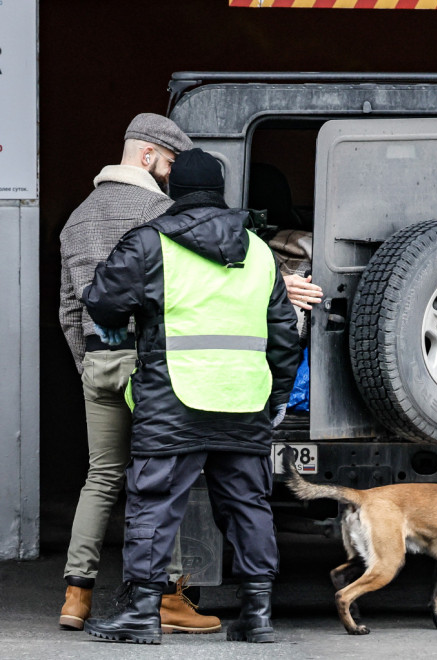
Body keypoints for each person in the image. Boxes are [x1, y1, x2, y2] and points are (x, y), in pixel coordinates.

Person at [80, 148, 300, 645]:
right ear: (220, 193)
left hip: (173, 400)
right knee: (248, 505)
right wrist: (278, 397)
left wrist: (124, 322)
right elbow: (285, 336)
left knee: (155, 503)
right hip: (244, 402)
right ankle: (257, 616)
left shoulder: (149, 243)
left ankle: (141, 613)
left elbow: (101, 300)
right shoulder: (259, 250)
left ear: (172, 192)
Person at [57, 113, 221, 634]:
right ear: (148, 156)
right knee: (158, 479)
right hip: (146, 364)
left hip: (96, 363)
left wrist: (89, 363)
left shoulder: (76, 219)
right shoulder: (160, 211)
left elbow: (66, 308)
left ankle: (75, 596)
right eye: (169, 163)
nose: (170, 175)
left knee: (100, 477)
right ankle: (168, 596)